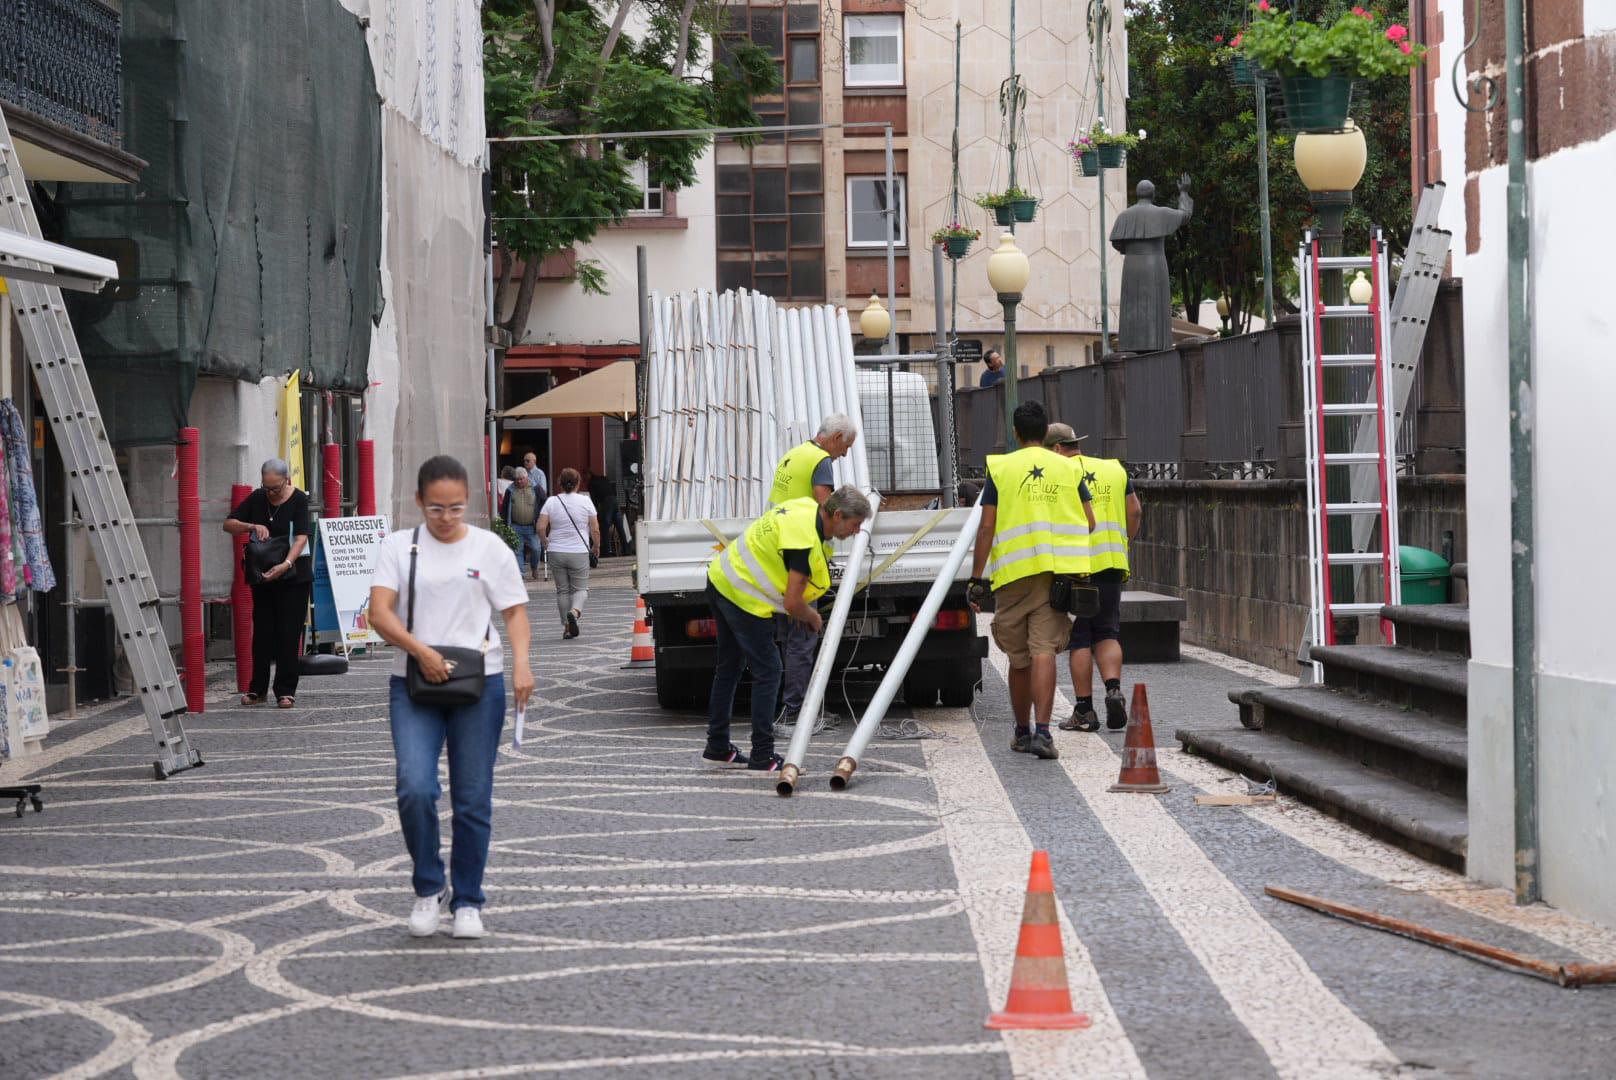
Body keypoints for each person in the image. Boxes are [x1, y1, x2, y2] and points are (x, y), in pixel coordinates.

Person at [367, 455, 532, 940]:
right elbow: (379, 613)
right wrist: (420, 652)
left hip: (481, 684)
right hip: (413, 682)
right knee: (414, 787)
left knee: (472, 797)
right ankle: (428, 887)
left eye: (456, 508)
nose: (446, 518)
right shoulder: (400, 547)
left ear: (469, 503)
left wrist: (522, 663)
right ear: (420, 502)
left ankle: (467, 900)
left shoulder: (490, 548)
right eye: (436, 508)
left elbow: (515, 613)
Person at [704, 487, 870, 772]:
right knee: (768, 670)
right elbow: (793, 602)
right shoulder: (804, 541)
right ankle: (763, 754)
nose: (855, 532)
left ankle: (718, 745)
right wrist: (812, 617)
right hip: (742, 595)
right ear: (838, 515)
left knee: (729, 667)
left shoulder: (805, 507)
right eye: (854, 525)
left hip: (721, 578)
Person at [966, 402, 1092, 760]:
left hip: (1014, 575)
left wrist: (977, 577)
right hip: (1057, 574)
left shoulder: (1002, 468)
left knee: (1019, 657)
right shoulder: (1068, 469)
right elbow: (1090, 520)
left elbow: (987, 525)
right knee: (1044, 650)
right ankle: (1045, 733)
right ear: (1046, 433)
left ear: (1016, 433)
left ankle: (1022, 732)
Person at [1044, 423, 1143, 733]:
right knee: (1108, 632)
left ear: (1057, 449)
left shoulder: (1059, 474)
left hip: (1077, 567)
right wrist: (1124, 543)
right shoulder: (1114, 469)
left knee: (1081, 638)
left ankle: (1085, 710)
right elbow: (1135, 511)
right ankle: (1113, 689)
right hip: (1113, 562)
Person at [768, 414, 859, 724]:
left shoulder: (793, 456)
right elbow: (829, 510)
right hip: (801, 552)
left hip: (779, 552)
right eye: (846, 446)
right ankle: (796, 714)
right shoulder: (820, 461)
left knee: (788, 639)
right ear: (834, 438)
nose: (845, 453)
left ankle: (789, 708)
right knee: (802, 641)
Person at [223, 459, 313, 709]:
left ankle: (285, 691)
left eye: (276, 488)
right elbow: (228, 524)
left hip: (293, 576)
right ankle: (257, 689)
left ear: (288, 481)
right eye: (267, 487)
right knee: (262, 634)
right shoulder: (257, 498)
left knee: (288, 633)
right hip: (262, 575)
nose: (271, 493)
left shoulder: (298, 500)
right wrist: (251, 525)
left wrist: (285, 564)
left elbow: (301, 537)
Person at [1110, 176, 1194, 354]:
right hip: (1156, 264)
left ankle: (1130, 346)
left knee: (1131, 307)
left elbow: (1117, 243)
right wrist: (1184, 192)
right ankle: (1157, 347)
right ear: (1153, 194)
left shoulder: (1124, 216)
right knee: (1157, 306)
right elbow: (1185, 216)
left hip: (1131, 266)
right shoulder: (1162, 214)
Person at [538, 467, 599, 640]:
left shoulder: (551, 501)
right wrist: (596, 547)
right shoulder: (585, 501)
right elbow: (595, 528)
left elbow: (541, 527)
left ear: (560, 483)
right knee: (580, 589)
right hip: (578, 550)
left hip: (556, 550)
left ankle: (566, 627)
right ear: (578, 483)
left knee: (562, 591)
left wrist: (545, 542)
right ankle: (574, 611)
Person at [501, 470, 543, 580]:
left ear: (526, 478)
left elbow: (544, 503)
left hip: (532, 526)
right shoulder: (510, 490)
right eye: (517, 479)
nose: (519, 482)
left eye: (521, 479)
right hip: (515, 526)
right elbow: (504, 508)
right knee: (517, 550)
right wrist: (505, 524)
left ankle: (534, 566)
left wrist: (543, 521)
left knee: (536, 549)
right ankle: (520, 574)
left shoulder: (536, 488)